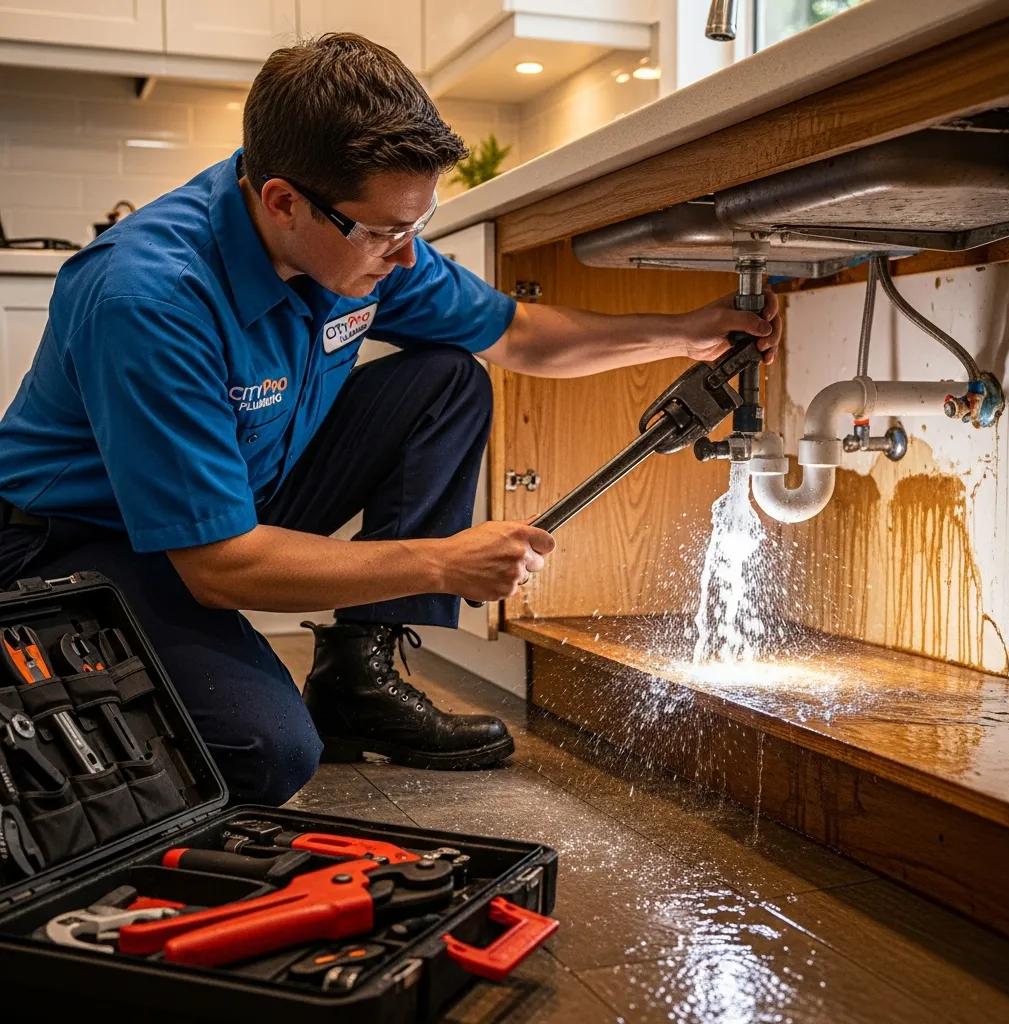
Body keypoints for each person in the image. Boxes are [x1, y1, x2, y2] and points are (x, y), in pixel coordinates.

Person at [0, 34, 781, 806]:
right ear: (283, 201)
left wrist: (686, 331)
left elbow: (516, 334)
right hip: (79, 543)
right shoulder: (151, 298)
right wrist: (441, 562)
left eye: (416, 226)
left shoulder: (352, 243)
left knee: (446, 378)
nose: (406, 257)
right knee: (265, 754)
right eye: (385, 232)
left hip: (233, 499)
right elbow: (218, 568)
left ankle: (354, 681)